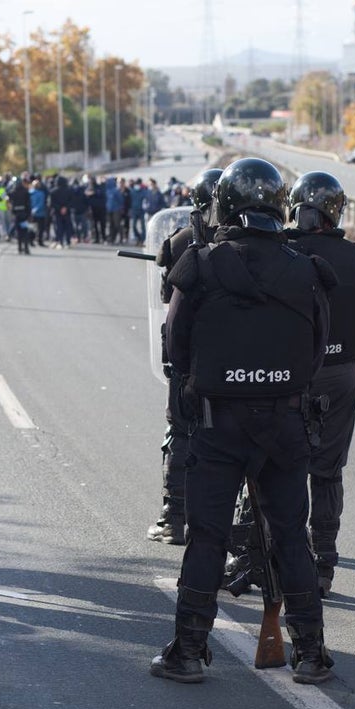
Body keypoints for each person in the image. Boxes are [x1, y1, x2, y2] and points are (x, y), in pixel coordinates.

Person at [151, 157, 336, 686]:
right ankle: (312, 653)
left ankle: (187, 651)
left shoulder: (199, 265)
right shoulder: (306, 269)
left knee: (206, 537)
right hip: (286, 423)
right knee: (291, 538)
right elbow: (317, 350)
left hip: (218, 424)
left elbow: (175, 344)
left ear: (223, 205)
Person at [286, 171, 355, 595]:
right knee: (327, 473)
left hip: (287, 377)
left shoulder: (283, 252)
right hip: (341, 375)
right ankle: (324, 563)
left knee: (279, 469)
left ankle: (273, 555)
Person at [146, 168, 222, 546]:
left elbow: (169, 306)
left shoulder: (179, 243)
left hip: (187, 356)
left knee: (179, 434)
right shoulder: (242, 244)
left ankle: (173, 517)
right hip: (228, 357)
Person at [8, 173, 32, 255]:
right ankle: (26, 248)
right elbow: (28, 204)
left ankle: (19, 248)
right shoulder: (25, 191)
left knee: (18, 232)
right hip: (24, 214)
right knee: (24, 231)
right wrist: (29, 214)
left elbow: (10, 202)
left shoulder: (12, 192)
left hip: (16, 214)